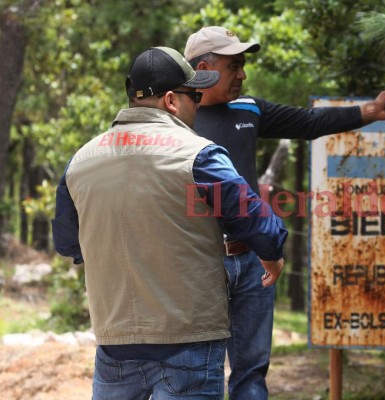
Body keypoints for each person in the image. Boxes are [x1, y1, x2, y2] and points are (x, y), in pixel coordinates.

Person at [183, 26, 385, 399]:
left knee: (252, 374)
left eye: (243, 65)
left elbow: (309, 123)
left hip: (254, 260)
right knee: (198, 373)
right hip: (197, 263)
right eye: (235, 66)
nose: (243, 74)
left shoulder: (249, 109)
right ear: (204, 68)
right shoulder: (175, 119)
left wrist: (372, 111)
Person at [51, 46, 287, 400]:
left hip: (115, 342)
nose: (198, 104)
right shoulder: (199, 155)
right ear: (173, 101)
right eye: (195, 95)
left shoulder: (81, 162)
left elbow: (68, 243)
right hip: (189, 340)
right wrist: (272, 252)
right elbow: (255, 220)